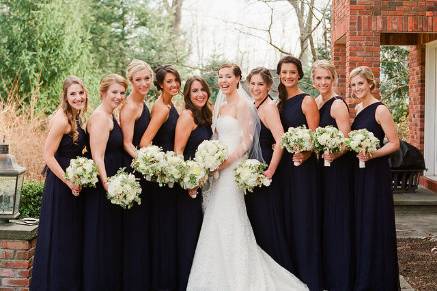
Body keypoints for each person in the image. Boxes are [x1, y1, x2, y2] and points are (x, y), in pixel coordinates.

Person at [186, 64, 308, 291]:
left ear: (237, 79)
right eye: (220, 77)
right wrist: (208, 161)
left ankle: (239, 274)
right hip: (217, 171)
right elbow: (216, 137)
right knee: (214, 217)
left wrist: (223, 163)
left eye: (228, 77)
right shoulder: (219, 106)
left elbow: (246, 143)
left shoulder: (244, 105)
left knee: (229, 216)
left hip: (231, 170)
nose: (224, 81)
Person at [31, 76, 88, 291]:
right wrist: (69, 181)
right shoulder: (62, 119)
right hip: (61, 185)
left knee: (69, 238)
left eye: (80, 93)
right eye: (72, 94)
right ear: (65, 96)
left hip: (71, 184)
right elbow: (47, 155)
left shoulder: (78, 117)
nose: (78, 97)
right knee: (60, 236)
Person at [349, 66, 400, 291]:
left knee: (374, 220)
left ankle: (379, 279)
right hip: (359, 172)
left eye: (361, 83)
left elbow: (394, 143)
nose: (357, 88)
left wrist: (373, 154)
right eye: (353, 84)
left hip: (375, 173)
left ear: (370, 83)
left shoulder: (380, 110)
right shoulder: (358, 107)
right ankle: (364, 275)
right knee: (362, 221)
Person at [277, 55, 322, 290]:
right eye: (284, 72)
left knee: (304, 218)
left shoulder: (307, 101)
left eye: (292, 72)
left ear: (299, 74)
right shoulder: (278, 102)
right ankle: (290, 273)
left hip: (302, 168)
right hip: (283, 168)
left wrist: (304, 154)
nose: (288, 76)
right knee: (287, 217)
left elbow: (314, 137)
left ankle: (310, 275)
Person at [244, 67, 293, 272]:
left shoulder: (269, 107)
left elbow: (280, 139)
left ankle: (276, 269)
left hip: (266, 171)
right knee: (256, 220)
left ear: (269, 86)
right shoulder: (252, 105)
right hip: (251, 171)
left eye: (260, 84)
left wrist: (270, 171)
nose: (256, 88)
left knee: (267, 220)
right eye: (253, 84)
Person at [83, 74, 127, 291]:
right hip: (103, 189)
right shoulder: (100, 117)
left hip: (112, 185)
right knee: (100, 239)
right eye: (114, 92)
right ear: (103, 93)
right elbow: (97, 156)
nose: (119, 97)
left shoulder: (111, 115)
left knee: (109, 241)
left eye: (121, 92)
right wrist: (108, 185)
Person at [312, 60, 353, 291]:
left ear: (334, 78)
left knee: (336, 219)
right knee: (324, 219)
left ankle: (341, 277)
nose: (323, 82)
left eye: (327, 78)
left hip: (336, 169)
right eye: (318, 78)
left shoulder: (337, 104)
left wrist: (332, 155)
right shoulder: (317, 101)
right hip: (320, 169)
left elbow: (346, 141)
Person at [139, 64, 180, 290]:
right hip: (162, 177)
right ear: (160, 85)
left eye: (176, 81)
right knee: (163, 227)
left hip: (169, 176)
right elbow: (145, 142)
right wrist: (165, 163)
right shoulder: (162, 108)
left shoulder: (169, 104)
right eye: (168, 82)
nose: (173, 85)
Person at [174, 76, 213, 290]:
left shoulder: (206, 114)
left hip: (204, 182)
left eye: (202, 90)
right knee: (189, 231)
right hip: (189, 184)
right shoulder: (187, 116)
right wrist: (189, 180)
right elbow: (178, 151)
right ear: (188, 95)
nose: (199, 94)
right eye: (194, 91)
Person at [119, 59, 153, 290]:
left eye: (146, 78)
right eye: (138, 80)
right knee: (133, 227)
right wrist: (146, 161)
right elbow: (127, 143)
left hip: (142, 167)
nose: (143, 83)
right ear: (131, 81)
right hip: (131, 168)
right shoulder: (130, 106)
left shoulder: (145, 103)